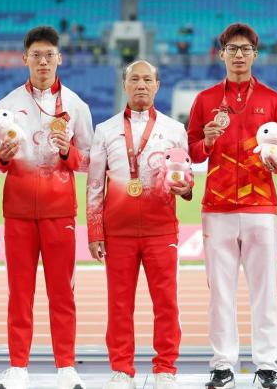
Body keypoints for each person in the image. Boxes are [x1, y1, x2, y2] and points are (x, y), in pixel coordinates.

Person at [187, 23, 277, 389]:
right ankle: (222, 364)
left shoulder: (273, 99)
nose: (239, 55)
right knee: (220, 292)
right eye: (232, 49)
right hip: (217, 207)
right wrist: (206, 141)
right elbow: (192, 152)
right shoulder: (205, 100)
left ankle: (267, 364)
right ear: (222, 54)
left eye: (246, 49)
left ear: (255, 55)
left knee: (265, 290)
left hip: (261, 206)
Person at [0, 26, 93, 389]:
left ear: (59, 58)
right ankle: (18, 366)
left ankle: (66, 365)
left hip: (59, 212)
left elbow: (90, 160)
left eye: (49, 55)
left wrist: (68, 152)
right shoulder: (7, 104)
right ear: (25, 59)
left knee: (62, 293)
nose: (43, 62)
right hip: (18, 212)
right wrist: (3, 158)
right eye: (36, 55)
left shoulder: (76, 105)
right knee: (20, 293)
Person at [87, 59, 190, 389]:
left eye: (148, 79)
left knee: (166, 302)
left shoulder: (174, 130)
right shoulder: (105, 130)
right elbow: (94, 185)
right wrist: (94, 231)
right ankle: (121, 369)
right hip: (118, 233)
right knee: (119, 304)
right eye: (135, 79)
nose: (141, 85)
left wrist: (184, 186)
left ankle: (165, 369)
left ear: (157, 86)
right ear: (124, 85)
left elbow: (186, 179)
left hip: (162, 230)